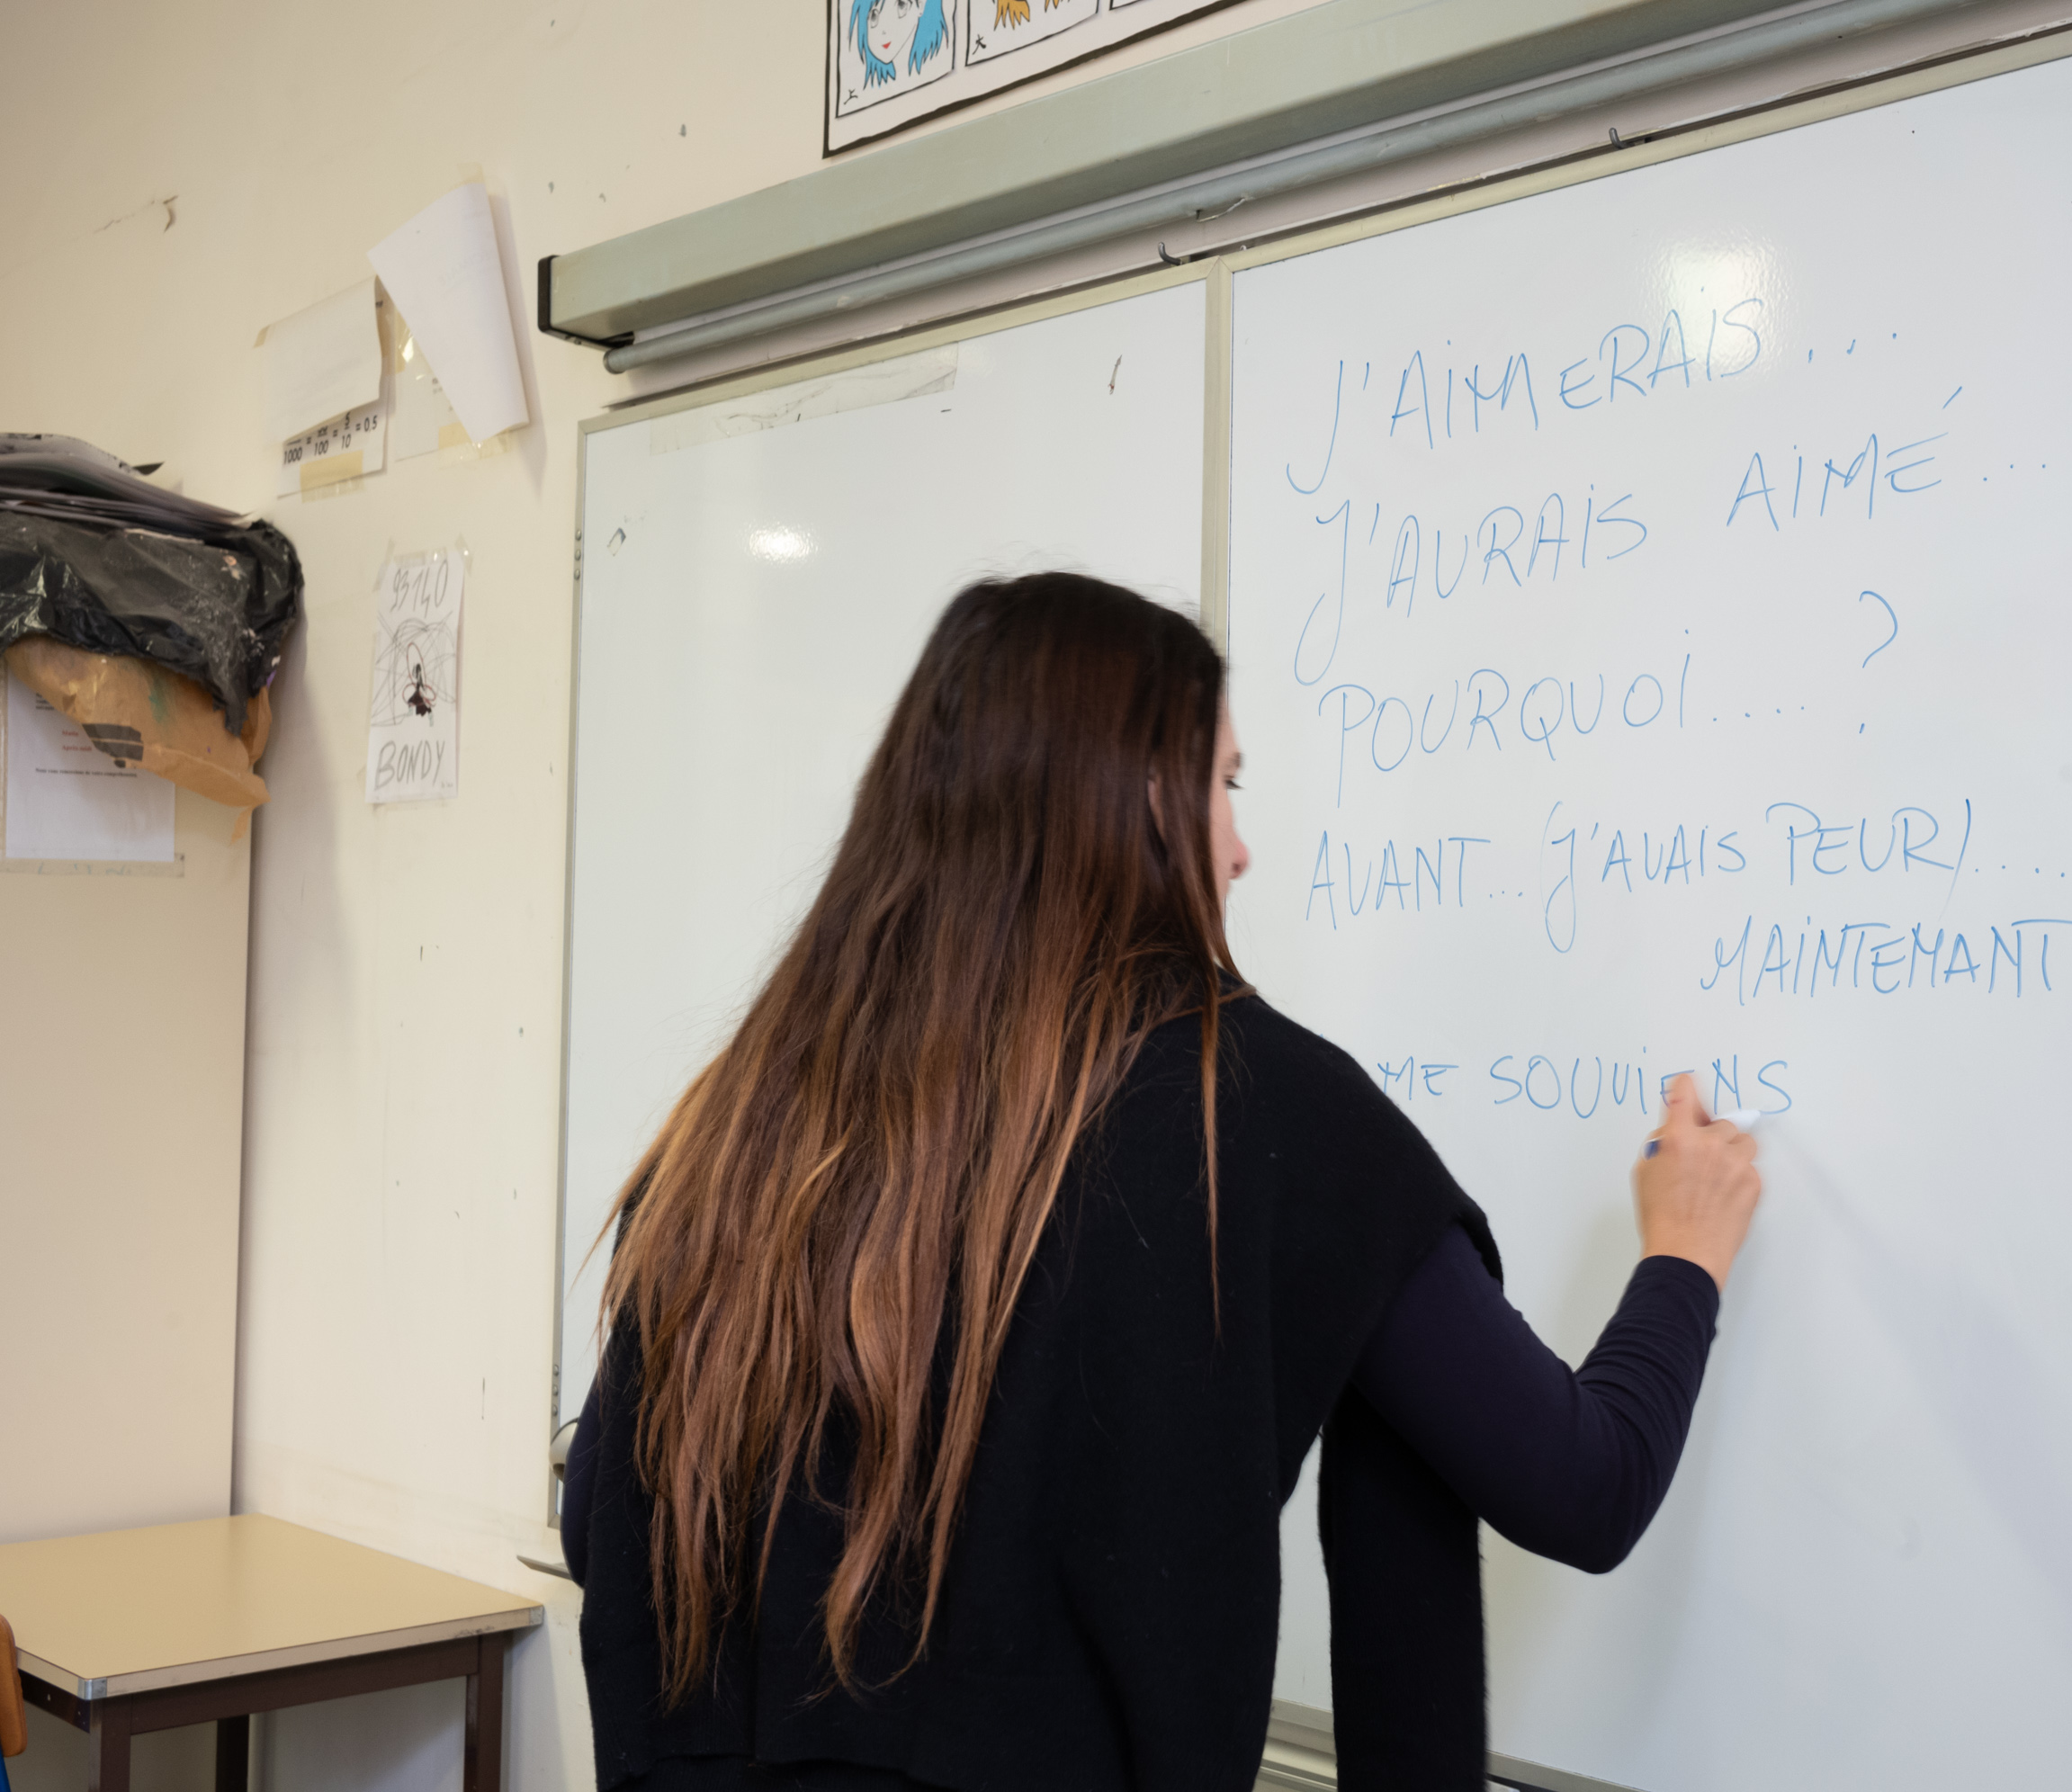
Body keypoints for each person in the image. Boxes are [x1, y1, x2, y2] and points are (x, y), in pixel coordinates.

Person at [565, 573, 1761, 1792]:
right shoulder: (1261, 1110)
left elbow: (596, 1521)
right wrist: (1685, 1254)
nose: (1241, 849)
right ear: (1136, 793)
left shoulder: (748, 1116)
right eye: (1225, 783)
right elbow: (1580, 1484)